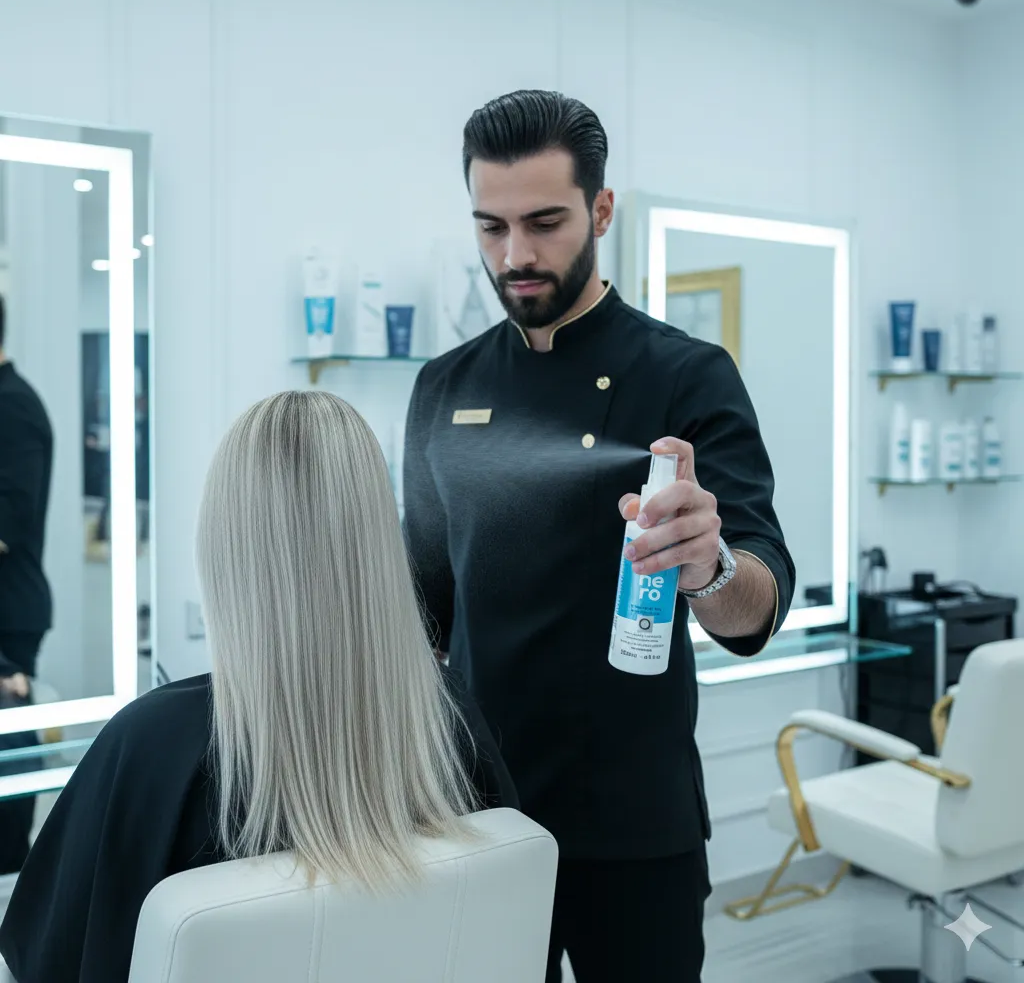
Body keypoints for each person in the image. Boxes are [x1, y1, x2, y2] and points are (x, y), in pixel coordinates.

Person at [403, 90, 795, 981]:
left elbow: (757, 606)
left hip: (633, 826)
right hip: (478, 817)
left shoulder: (687, 374)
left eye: (544, 222)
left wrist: (711, 565)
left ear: (603, 209)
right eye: (490, 227)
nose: (516, 255)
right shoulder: (440, 386)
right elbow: (424, 611)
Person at [0, 390, 518, 983]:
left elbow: (44, 963)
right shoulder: (447, 717)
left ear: (223, 542)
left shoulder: (152, 747)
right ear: (378, 537)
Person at [0, 293, 53, 874]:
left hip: (8, 614)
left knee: (9, 763)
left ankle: (11, 880)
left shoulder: (13, 407)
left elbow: (7, 524)